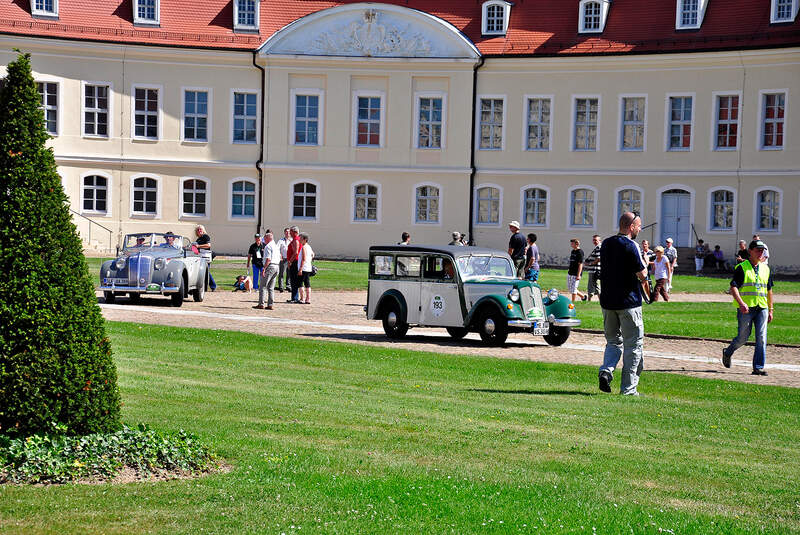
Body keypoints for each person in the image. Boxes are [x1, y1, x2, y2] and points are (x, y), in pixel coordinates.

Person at [598, 212, 649, 396]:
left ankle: (606, 370)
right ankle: (628, 389)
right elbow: (642, 276)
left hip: (608, 302)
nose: (640, 229)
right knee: (633, 345)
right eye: (638, 226)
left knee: (613, 342)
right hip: (629, 303)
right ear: (631, 227)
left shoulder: (606, 243)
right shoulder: (631, 245)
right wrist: (646, 262)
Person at [722, 240, 774, 376]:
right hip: (746, 308)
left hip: (762, 307)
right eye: (758, 250)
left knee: (762, 337)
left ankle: (758, 367)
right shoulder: (742, 267)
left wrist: (771, 309)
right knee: (743, 338)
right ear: (750, 251)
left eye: (762, 250)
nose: (760, 252)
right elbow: (733, 287)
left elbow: (769, 290)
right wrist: (741, 303)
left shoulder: (766, 268)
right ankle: (728, 352)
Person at [254, 232, 280, 310]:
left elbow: (268, 259)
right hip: (276, 266)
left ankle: (261, 304)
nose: (263, 239)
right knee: (271, 287)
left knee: (262, 286)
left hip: (270, 266)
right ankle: (270, 304)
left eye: (265, 238)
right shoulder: (276, 246)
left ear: (268, 238)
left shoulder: (268, 246)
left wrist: (264, 268)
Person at [194, 225, 216, 291]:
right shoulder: (198, 239)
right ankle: (204, 286)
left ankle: (213, 286)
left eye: (200, 229)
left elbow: (208, 245)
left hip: (206, 256)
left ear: (203, 230)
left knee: (206, 271)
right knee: (203, 272)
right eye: (198, 230)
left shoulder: (206, 236)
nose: (199, 231)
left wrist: (198, 246)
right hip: (201, 257)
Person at [297, 232, 314, 304]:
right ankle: (308, 298)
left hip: (303, 268)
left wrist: (300, 269)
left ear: (305, 239)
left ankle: (302, 298)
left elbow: (303, 259)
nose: (299, 240)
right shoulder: (309, 247)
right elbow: (313, 254)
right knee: (307, 283)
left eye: (300, 238)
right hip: (308, 268)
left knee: (300, 284)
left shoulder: (303, 247)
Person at [286, 226, 301, 303]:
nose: (290, 233)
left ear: (295, 232)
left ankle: (295, 298)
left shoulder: (296, 240)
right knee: (293, 280)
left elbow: (296, 253)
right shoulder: (296, 240)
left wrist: (290, 261)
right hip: (294, 262)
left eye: (291, 231)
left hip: (294, 262)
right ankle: (294, 297)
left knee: (294, 280)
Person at [585, 234, 601, 301]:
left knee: (591, 285)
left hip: (594, 270)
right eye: (593, 240)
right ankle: (600, 300)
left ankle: (589, 300)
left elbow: (598, 258)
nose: (594, 241)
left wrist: (589, 264)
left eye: (596, 240)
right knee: (595, 285)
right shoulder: (598, 247)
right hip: (594, 270)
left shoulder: (598, 247)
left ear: (600, 240)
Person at [276, 228, 291, 292]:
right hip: (283, 259)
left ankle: (288, 285)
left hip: (290, 259)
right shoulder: (281, 241)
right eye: (286, 232)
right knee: (282, 273)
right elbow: (277, 249)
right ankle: (281, 286)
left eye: (288, 232)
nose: (287, 233)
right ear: (284, 233)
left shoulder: (292, 240)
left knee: (289, 273)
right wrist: (280, 255)